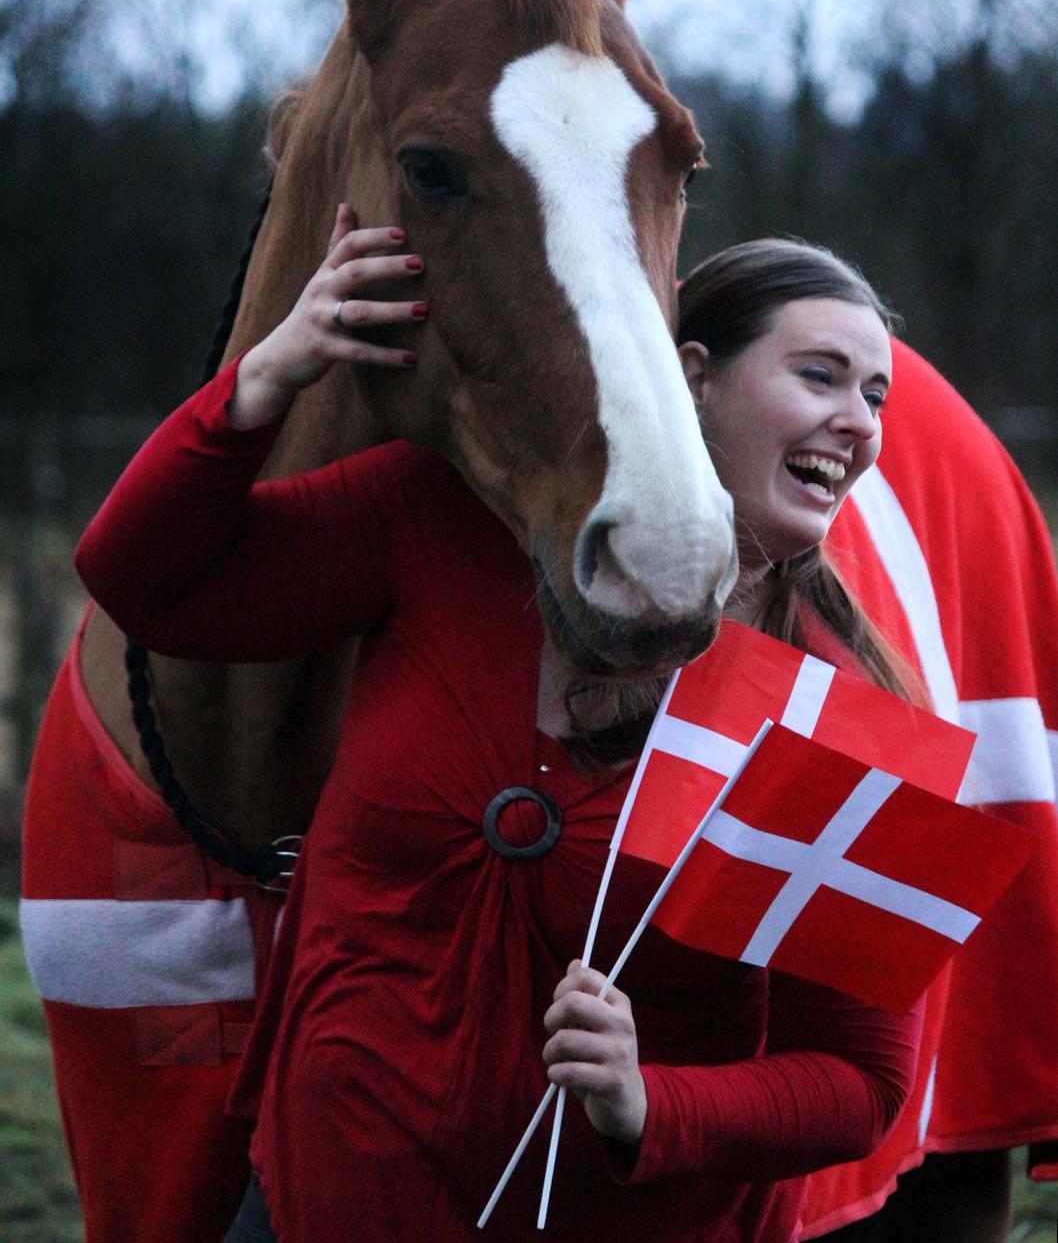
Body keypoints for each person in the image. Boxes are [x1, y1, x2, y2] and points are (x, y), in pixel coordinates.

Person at [75, 222, 922, 1243]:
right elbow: (143, 578)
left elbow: (859, 1083)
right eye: (820, 376)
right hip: (321, 1193)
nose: (856, 422)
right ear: (691, 375)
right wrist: (269, 374)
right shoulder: (447, 519)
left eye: (872, 395)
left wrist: (645, 1099)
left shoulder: (850, 720)